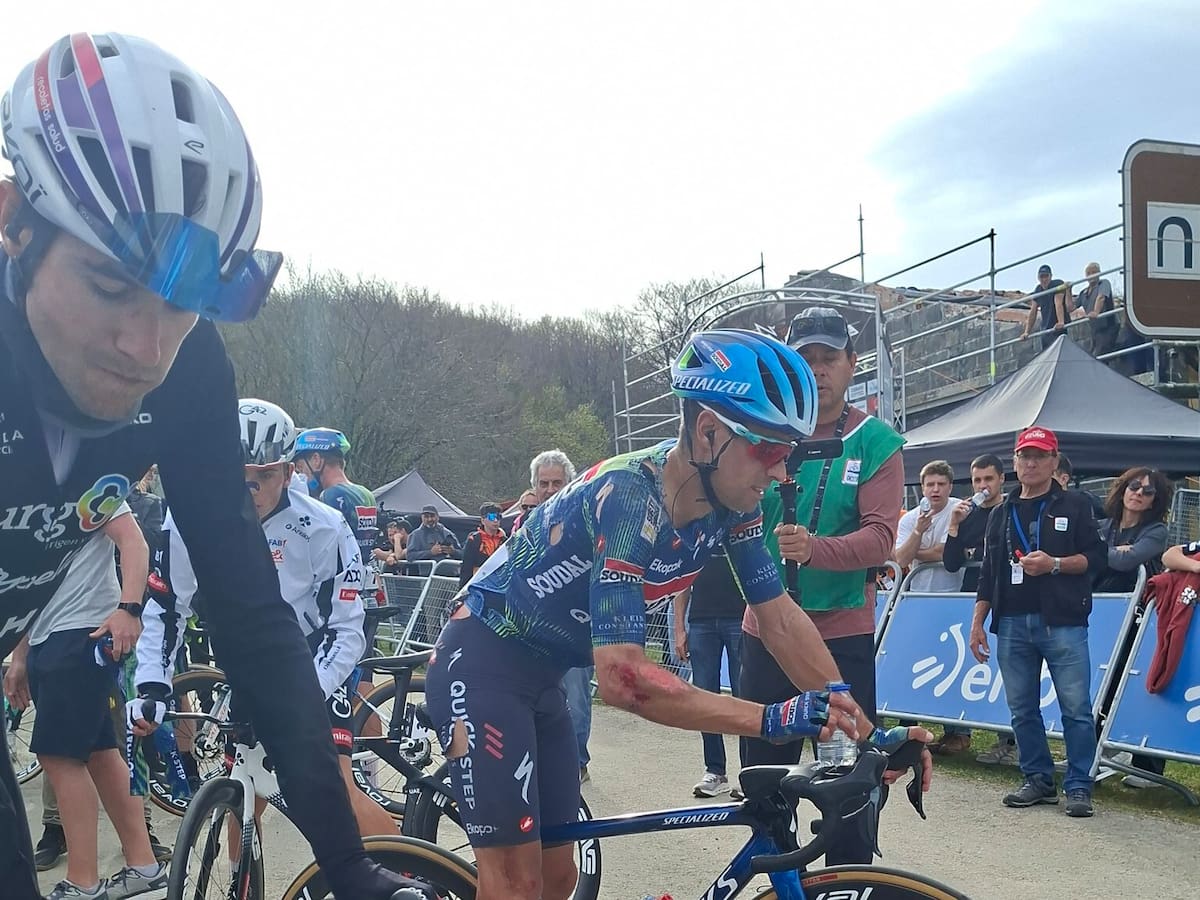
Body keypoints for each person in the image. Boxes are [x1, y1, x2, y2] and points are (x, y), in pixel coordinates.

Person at [0, 32, 408, 899]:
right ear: (14, 226)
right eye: (111, 286)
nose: (147, 347)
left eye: (184, 303)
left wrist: (346, 864)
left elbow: (247, 606)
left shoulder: (189, 369)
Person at [424, 328, 925, 900]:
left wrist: (867, 731)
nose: (782, 473)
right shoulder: (628, 495)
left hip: (544, 677)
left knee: (560, 880)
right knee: (516, 886)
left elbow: (779, 618)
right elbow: (623, 679)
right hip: (481, 665)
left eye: (790, 453)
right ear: (708, 432)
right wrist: (769, 718)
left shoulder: (734, 507)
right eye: (769, 450)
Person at [133, 400, 398, 840]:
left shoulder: (325, 526)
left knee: (337, 789)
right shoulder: (188, 516)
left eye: (265, 475)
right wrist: (151, 685)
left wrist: (301, 696)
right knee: (243, 792)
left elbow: (346, 631)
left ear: (290, 472)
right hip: (249, 659)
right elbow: (167, 606)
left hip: (313, 659)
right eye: (238, 475)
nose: (250, 489)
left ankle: (403, 871)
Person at [737, 306, 911, 867]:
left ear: (852, 362)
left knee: (847, 781)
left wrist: (815, 550)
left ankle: (847, 881)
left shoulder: (875, 440)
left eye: (828, 357)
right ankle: (780, 880)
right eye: (805, 358)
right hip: (767, 630)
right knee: (764, 780)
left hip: (840, 635)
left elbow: (881, 539)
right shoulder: (763, 432)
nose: (817, 369)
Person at [4, 504, 166, 900]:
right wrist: (21, 656)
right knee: (100, 753)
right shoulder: (26, 493)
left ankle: (83, 882)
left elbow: (133, 541)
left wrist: (129, 609)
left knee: (59, 757)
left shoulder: (87, 479)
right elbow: (29, 586)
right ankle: (144, 867)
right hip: (49, 634)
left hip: (82, 630)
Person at [969, 426, 1105, 818]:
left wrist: (1055, 564)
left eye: (1040, 456)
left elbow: (1097, 559)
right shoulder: (1001, 512)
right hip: (1012, 621)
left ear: (1053, 461)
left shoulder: (1075, 504)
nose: (1031, 463)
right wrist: (978, 622)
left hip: (1062, 620)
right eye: (1025, 456)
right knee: (1022, 708)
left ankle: (1079, 785)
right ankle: (1038, 779)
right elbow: (988, 572)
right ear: (1014, 461)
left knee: (1076, 708)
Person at [941, 453, 1011, 761]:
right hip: (972, 599)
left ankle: (1009, 741)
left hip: (1007, 599)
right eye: (977, 480)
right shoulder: (967, 515)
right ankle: (959, 732)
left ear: (1001, 479)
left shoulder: (1010, 510)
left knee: (1007, 671)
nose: (983, 485)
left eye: (988, 479)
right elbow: (951, 563)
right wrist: (954, 526)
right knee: (973, 667)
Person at [672, 547, 746, 797]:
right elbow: (682, 580)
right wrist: (679, 628)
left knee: (745, 696)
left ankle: (750, 771)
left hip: (740, 618)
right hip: (701, 620)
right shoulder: (696, 535)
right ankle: (715, 770)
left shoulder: (743, 526)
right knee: (704, 699)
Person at [892, 460, 964, 593]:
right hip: (917, 591)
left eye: (941, 484)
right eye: (930, 484)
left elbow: (943, 552)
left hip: (953, 591)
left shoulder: (958, 509)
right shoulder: (909, 518)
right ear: (923, 488)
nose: (936, 489)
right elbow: (901, 560)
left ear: (950, 487)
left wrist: (913, 553)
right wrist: (918, 531)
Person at [1075, 262, 1119, 358]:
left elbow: (1101, 297)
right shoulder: (1083, 293)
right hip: (1095, 330)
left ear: (1099, 273)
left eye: (1094, 272)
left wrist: (1096, 312)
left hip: (1108, 327)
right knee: (1093, 355)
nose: (1091, 275)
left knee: (1099, 356)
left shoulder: (1104, 283)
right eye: (1089, 273)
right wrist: (1068, 290)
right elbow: (1071, 307)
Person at [1021, 264, 1071, 348]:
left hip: (1059, 329)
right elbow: (1033, 311)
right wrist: (1026, 332)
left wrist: (1061, 322)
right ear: (1038, 278)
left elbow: (1058, 302)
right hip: (1046, 330)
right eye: (1041, 277)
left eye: (1046, 276)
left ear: (1051, 276)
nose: (1044, 279)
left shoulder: (1057, 284)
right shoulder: (1038, 290)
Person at [459, 503, 507, 586]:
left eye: (498, 517)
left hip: (498, 584)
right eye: (491, 517)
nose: (495, 520)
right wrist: (464, 588)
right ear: (483, 520)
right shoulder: (474, 539)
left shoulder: (504, 540)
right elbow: (466, 567)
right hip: (478, 583)